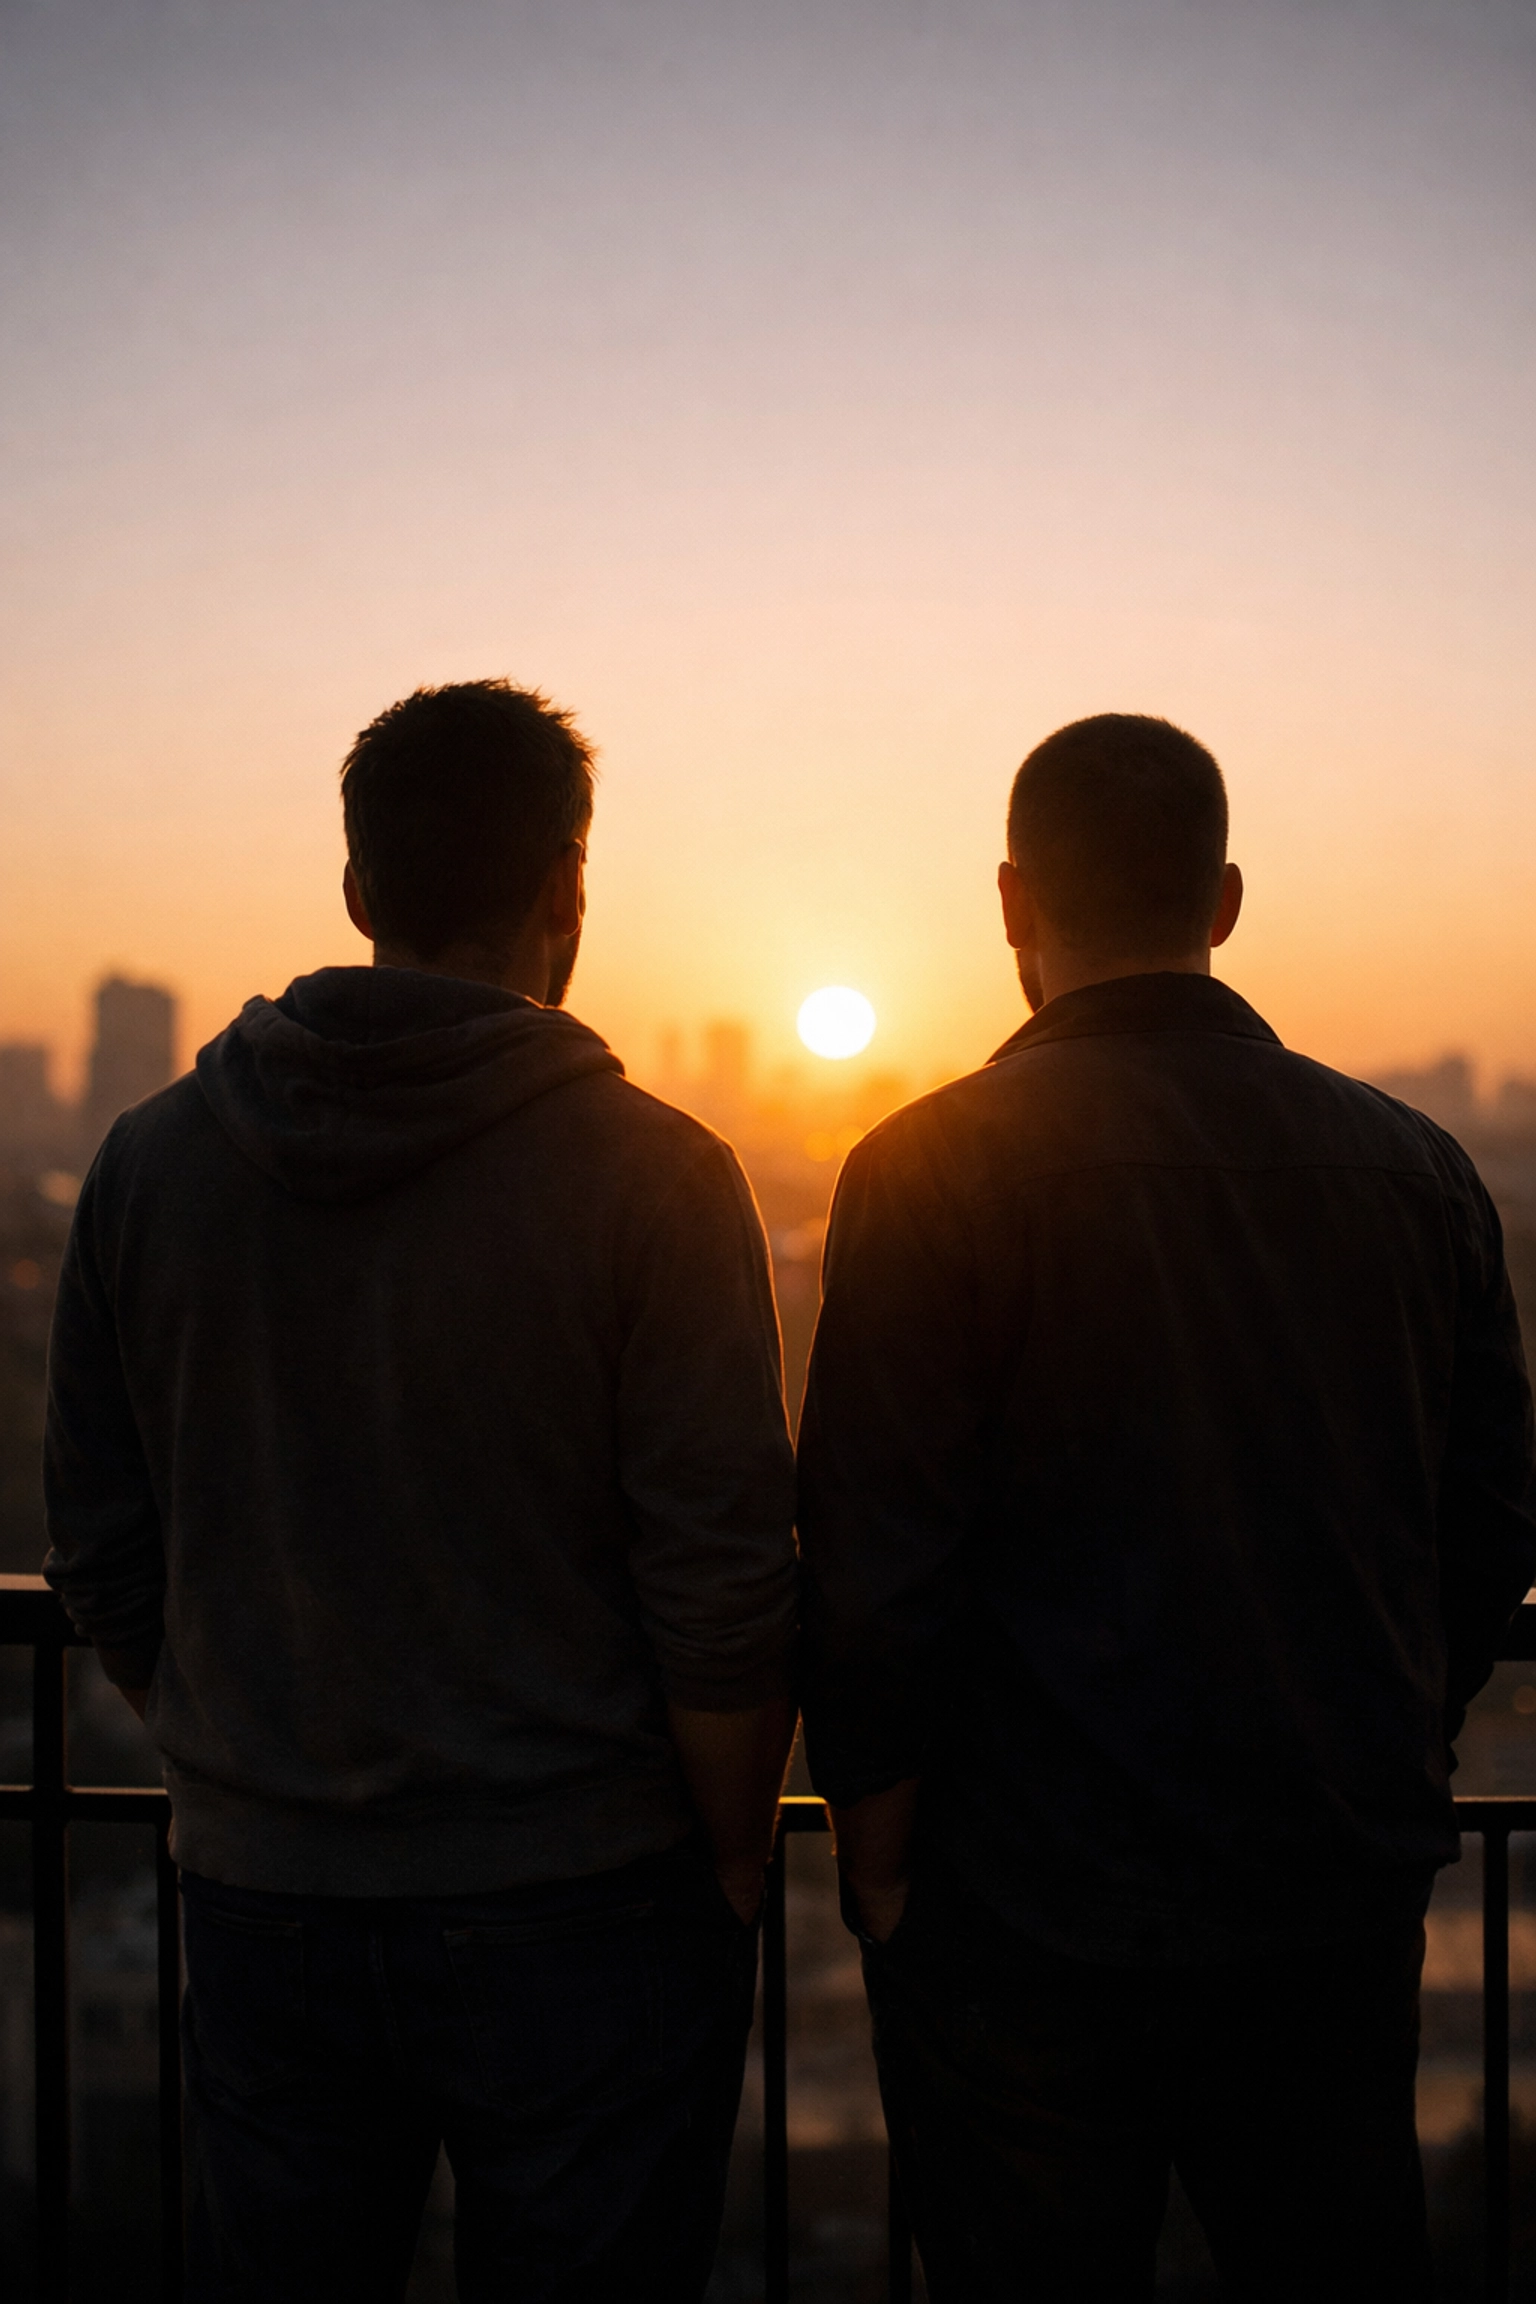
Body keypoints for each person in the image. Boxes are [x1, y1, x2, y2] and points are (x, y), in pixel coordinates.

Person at [44, 679, 798, 2304]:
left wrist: (238, 1750)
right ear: (567, 889)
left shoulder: (151, 1163)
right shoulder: (659, 1179)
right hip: (587, 1904)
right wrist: (733, 1854)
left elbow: (101, 1548)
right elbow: (722, 1582)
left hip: (267, 1893)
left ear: (360, 891)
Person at [798, 712, 1536, 2301]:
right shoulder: (1417, 1175)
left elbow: (875, 1565)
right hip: (1325, 1891)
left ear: (1011, 902)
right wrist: (1390, 1728)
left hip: (1022, 1911)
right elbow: (1483, 1530)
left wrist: (878, 1858)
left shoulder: (925, 1172)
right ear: (1225, 901)